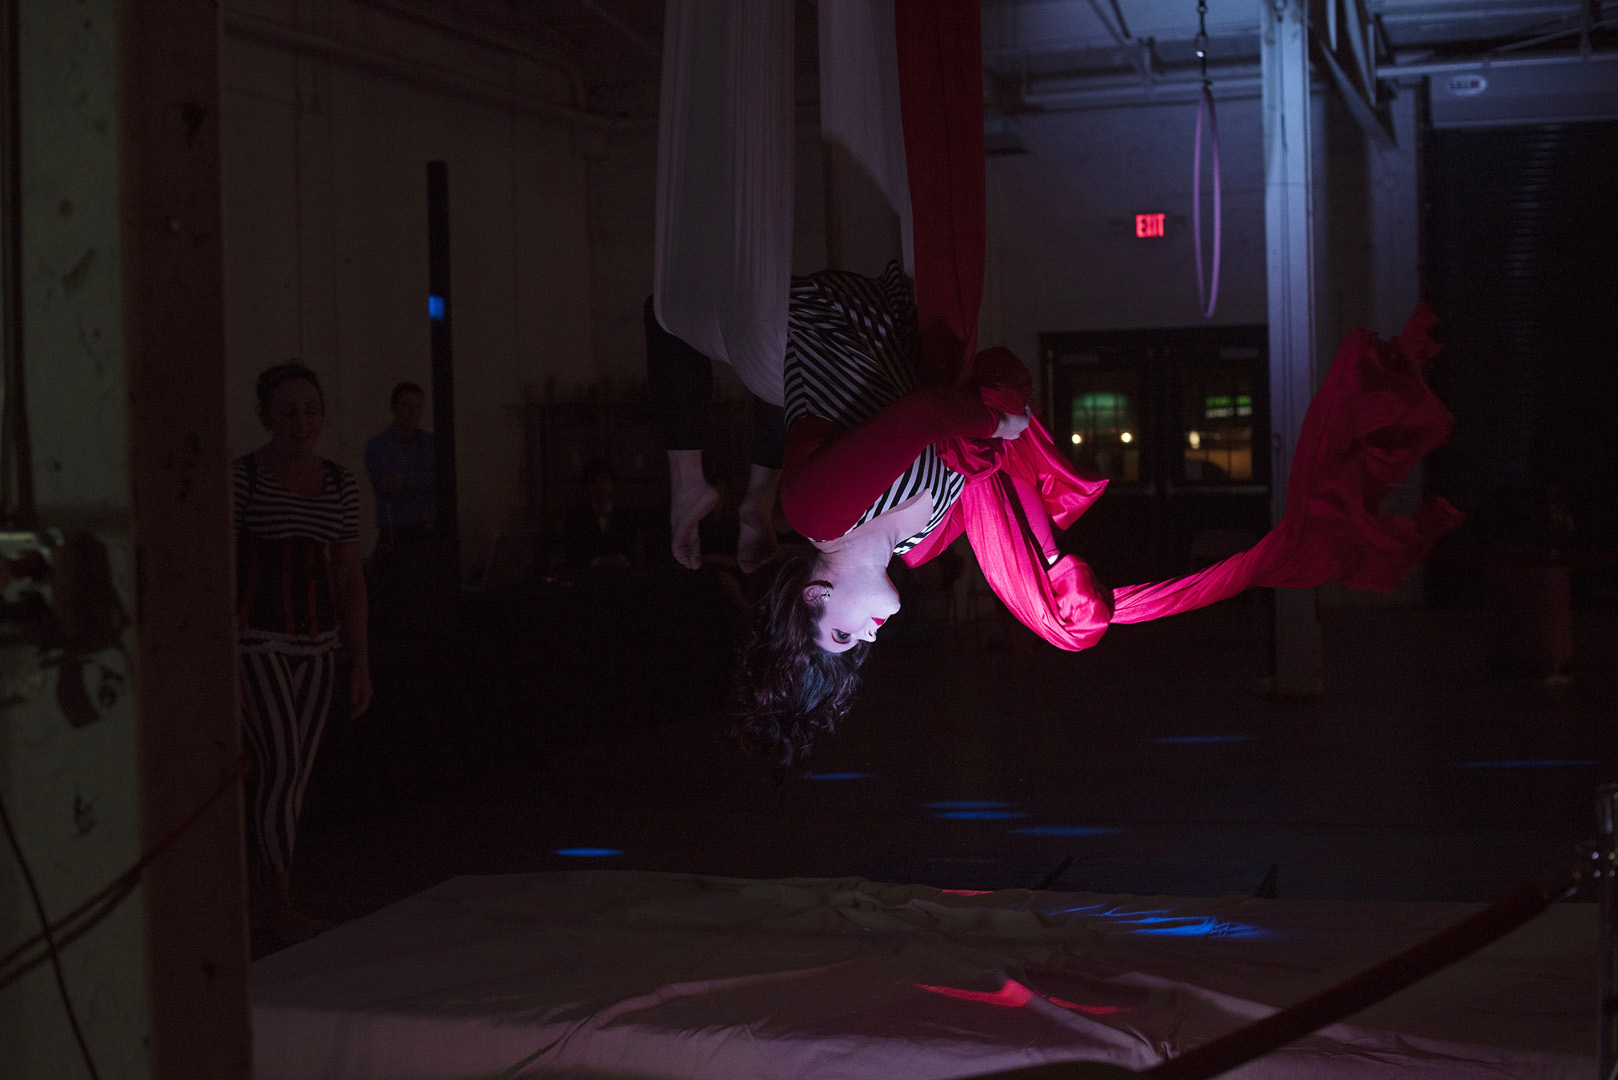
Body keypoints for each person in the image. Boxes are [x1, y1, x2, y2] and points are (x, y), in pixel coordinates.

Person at [657, 263, 1461, 776]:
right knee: (1070, 625)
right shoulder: (920, 539)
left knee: (665, 312)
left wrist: (992, 418)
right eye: (856, 650)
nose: (868, 637)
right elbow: (998, 474)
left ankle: (688, 469)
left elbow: (934, 411)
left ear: (813, 596)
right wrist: (1056, 573)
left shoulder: (819, 513)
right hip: (912, 333)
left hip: (836, 316)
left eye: (841, 634)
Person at [236, 362, 371, 943]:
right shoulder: (243, 478)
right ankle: (274, 903)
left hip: (319, 645)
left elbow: (349, 576)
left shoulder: (339, 482)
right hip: (254, 640)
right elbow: (218, 566)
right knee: (283, 767)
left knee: (291, 775)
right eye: (288, 411)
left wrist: (360, 658)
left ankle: (269, 900)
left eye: (311, 411)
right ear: (265, 416)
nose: (301, 422)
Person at [364, 381, 437, 640]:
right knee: (402, 616)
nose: (412, 412)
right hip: (399, 539)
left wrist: (408, 479)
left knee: (431, 612)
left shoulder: (432, 444)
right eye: (406, 405)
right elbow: (390, 484)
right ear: (394, 407)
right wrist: (424, 479)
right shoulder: (378, 446)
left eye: (417, 406)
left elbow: (442, 481)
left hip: (430, 538)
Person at [562, 458, 642, 573]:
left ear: (613, 484)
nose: (601, 486)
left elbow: (633, 553)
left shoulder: (626, 517)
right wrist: (601, 562)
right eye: (594, 481)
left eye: (605, 480)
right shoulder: (575, 517)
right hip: (586, 579)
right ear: (587, 486)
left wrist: (622, 561)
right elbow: (573, 555)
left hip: (621, 578)